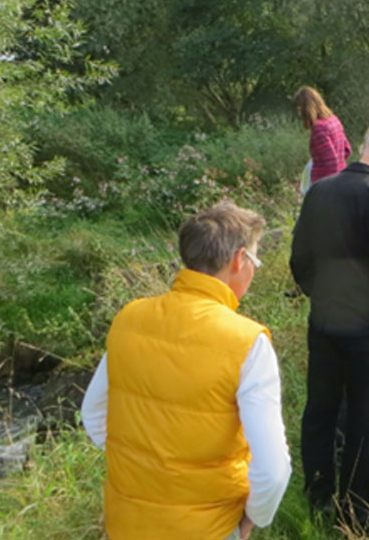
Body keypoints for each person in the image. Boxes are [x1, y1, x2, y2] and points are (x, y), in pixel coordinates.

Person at [81, 203, 291, 540]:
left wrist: (148, 468)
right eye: (255, 261)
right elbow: (272, 469)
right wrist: (254, 517)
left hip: (126, 524)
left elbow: (93, 415)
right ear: (239, 260)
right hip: (208, 528)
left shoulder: (129, 318)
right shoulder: (247, 341)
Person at [290, 123, 369, 535]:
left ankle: (318, 496)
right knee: (367, 418)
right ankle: (358, 510)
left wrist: (321, 294)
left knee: (320, 411)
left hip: (325, 321)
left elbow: (300, 260)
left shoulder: (320, 191)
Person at [293, 85, 352, 185]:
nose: (299, 113)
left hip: (325, 184)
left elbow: (331, 162)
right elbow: (347, 150)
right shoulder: (333, 120)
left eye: (299, 108)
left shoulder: (319, 129)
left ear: (306, 108)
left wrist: (327, 188)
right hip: (341, 176)